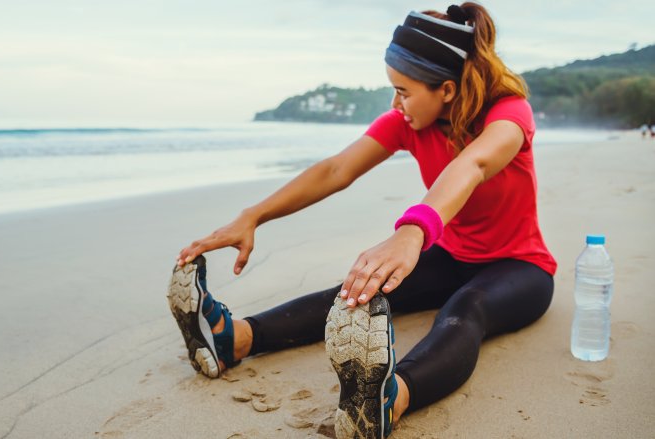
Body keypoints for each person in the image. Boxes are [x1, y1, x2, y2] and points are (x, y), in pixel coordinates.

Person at [167, 3, 556, 438]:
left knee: (467, 308)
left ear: (446, 89)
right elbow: (337, 169)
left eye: (403, 90)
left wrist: (412, 232)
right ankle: (231, 339)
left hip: (521, 267)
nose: (396, 102)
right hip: (451, 257)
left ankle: (390, 399)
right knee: (354, 292)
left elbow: (475, 165)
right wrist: (253, 215)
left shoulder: (508, 114)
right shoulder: (409, 122)